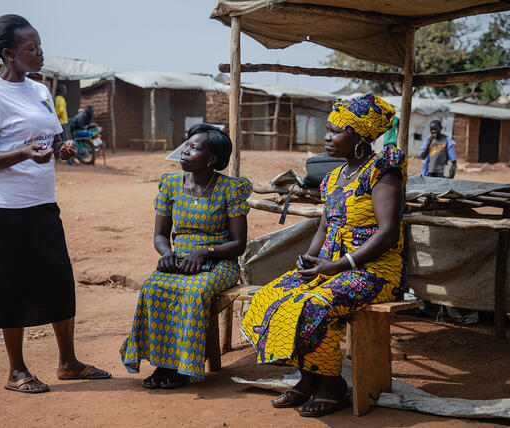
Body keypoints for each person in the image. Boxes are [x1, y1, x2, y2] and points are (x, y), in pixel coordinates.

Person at [0, 14, 110, 394]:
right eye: (31, 48)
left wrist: (61, 149)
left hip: (41, 202)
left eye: (40, 45)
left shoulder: (41, 90)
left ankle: (68, 363)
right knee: (9, 287)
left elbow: (51, 142)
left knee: (58, 281)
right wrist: (23, 152)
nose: (40, 53)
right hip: (1, 208)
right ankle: (17, 371)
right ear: (8, 53)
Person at [241, 94, 407, 417]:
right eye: (327, 131)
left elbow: (388, 234)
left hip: (373, 273)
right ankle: (309, 378)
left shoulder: (383, 173)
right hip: (332, 267)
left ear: (358, 137)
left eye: (335, 132)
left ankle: (333, 385)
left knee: (314, 307)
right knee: (270, 297)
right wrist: (308, 258)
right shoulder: (333, 178)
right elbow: (323, 227)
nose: (327, 138)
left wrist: (339, 264)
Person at [120, 123, 252, 389]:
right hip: (180, 259)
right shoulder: (170, 185)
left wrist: (205, 252)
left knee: (192, 291)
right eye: (186, 145)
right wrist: (167, 253)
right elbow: (160, 235)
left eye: (194, 148)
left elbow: (238, 244)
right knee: (153, 288)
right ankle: (163, 364)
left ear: (212, 159)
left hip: (219, 261)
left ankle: (182, 367)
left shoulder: (230, 189)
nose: (184, 152)